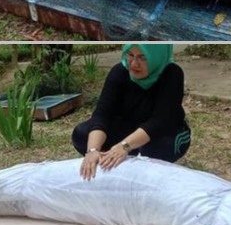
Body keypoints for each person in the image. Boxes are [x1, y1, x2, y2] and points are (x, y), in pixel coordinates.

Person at [72, 44, 191, 180]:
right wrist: (92, 151)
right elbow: (102, 115)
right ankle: (115, 162)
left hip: (164, 133)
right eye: (130, 55)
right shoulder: (119, 71)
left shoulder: (172, 73)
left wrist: (124, 146)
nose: (134, 64)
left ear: (156, 57)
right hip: (128, 130)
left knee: (155, 149)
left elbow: (160, 121)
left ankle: (139, 163)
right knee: (81, 135)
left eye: (143, 58)